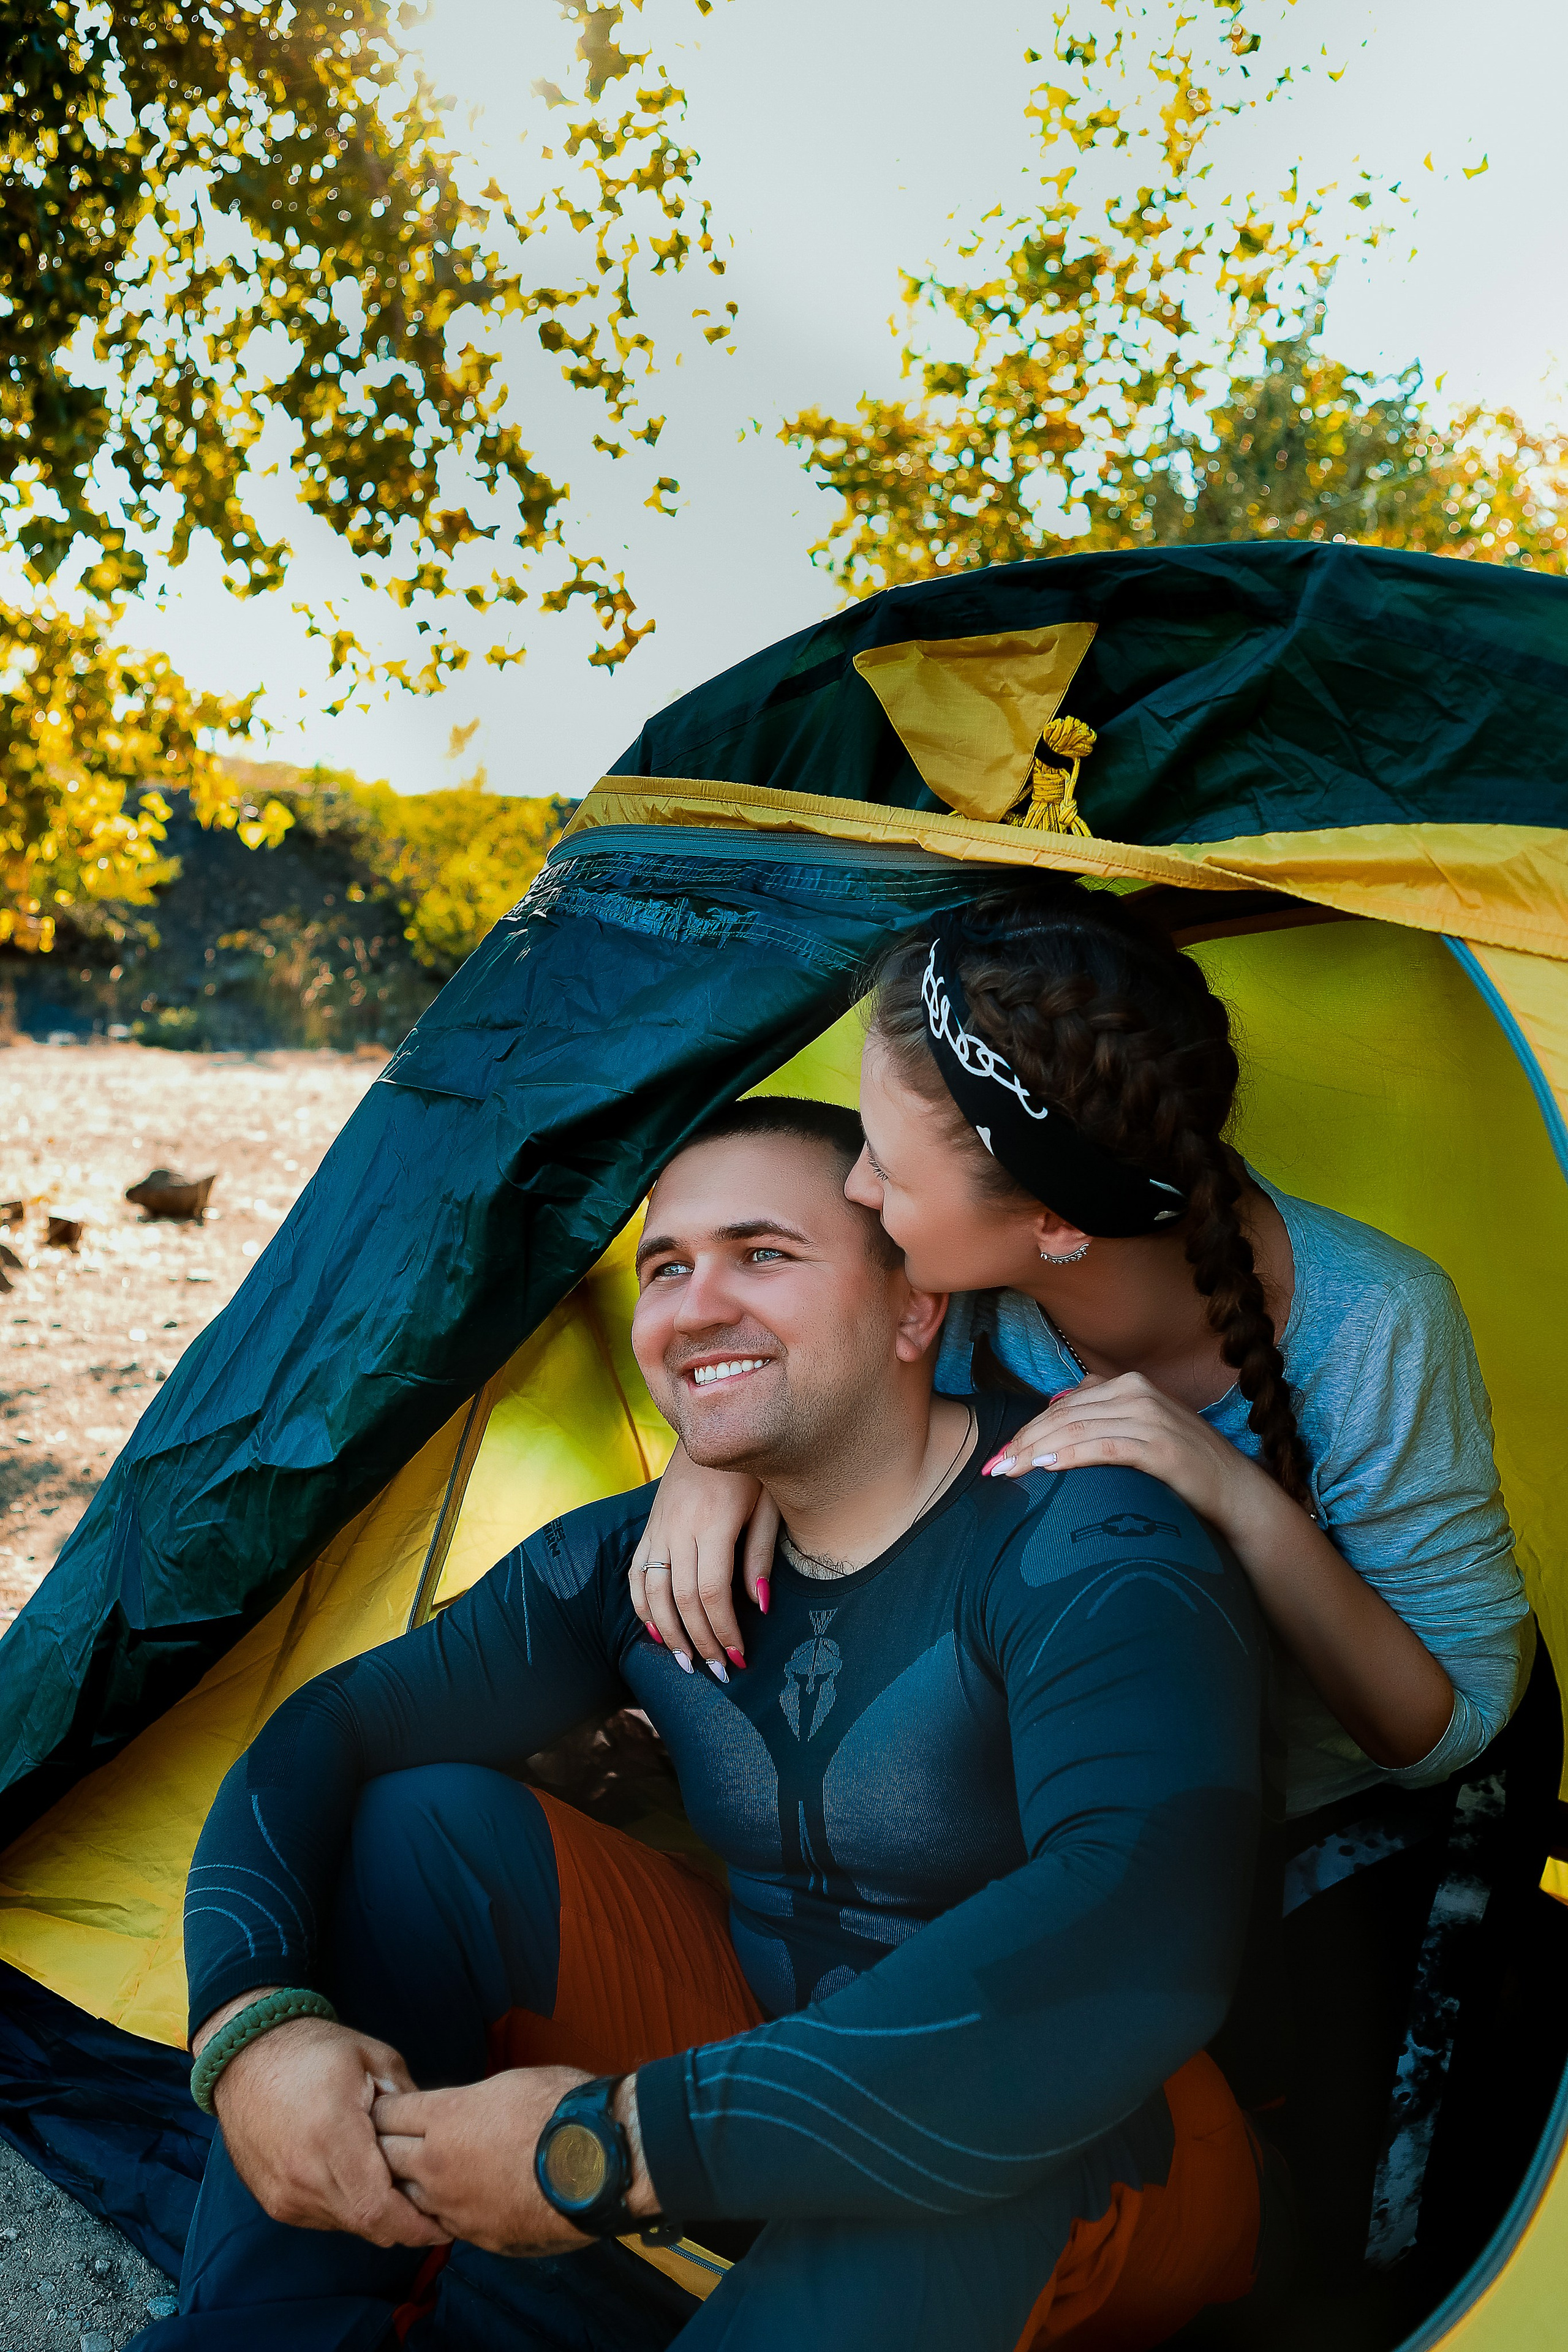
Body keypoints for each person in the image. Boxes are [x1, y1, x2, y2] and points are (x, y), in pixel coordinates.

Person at [145, 1098, 1272, 2352]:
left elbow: (1141, 1923)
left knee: (952, 2128)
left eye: (762, 1254)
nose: (694, 1308)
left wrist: (608, 2148)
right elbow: (332, 1727)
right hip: (753, 2078)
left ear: (915, 1309)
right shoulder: (639, 1560)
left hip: (1099, 2135)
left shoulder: (1086, 1537)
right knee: (420, 1827)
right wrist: (251, 2028)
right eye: (665, 1268)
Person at [630, 886, 1533, 2270]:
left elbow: (1447, 1726)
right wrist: (719, 1459)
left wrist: (1230, 1491)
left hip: (1330, 1816)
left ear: (1052, 1221)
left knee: (1322, 2215)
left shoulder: (1372, 1327)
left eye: (887, 1171)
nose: (858, 1194)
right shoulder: (954, 1282)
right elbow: (784, 1336)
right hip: (1051, 1780)